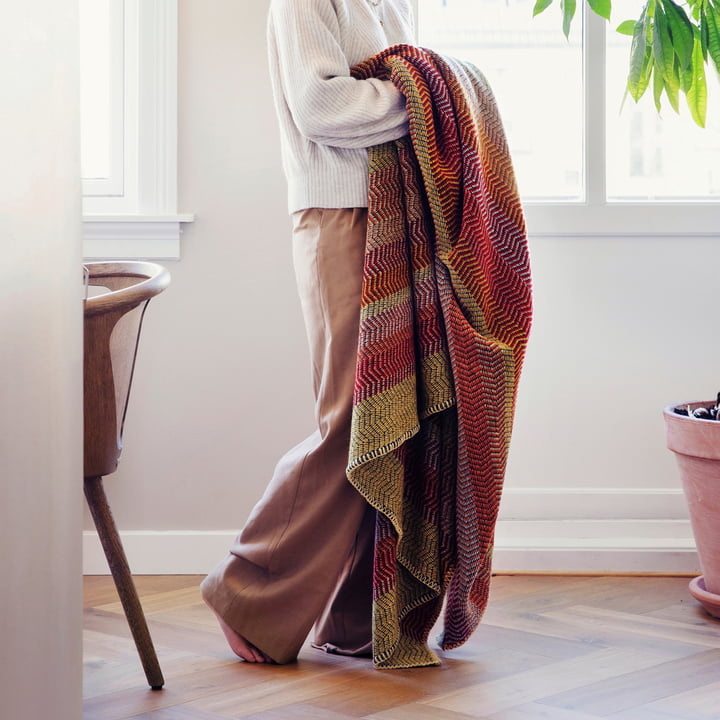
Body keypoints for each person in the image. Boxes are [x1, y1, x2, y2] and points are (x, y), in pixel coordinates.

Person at [200, 0, 415, 665]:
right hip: (338, 214)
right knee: (351, 418)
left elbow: (401, 93)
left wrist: (421, 94)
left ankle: (357, 614)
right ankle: (250, 593)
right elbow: (320, 107)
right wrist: (429, 98)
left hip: (393, 212)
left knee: (396, 416)